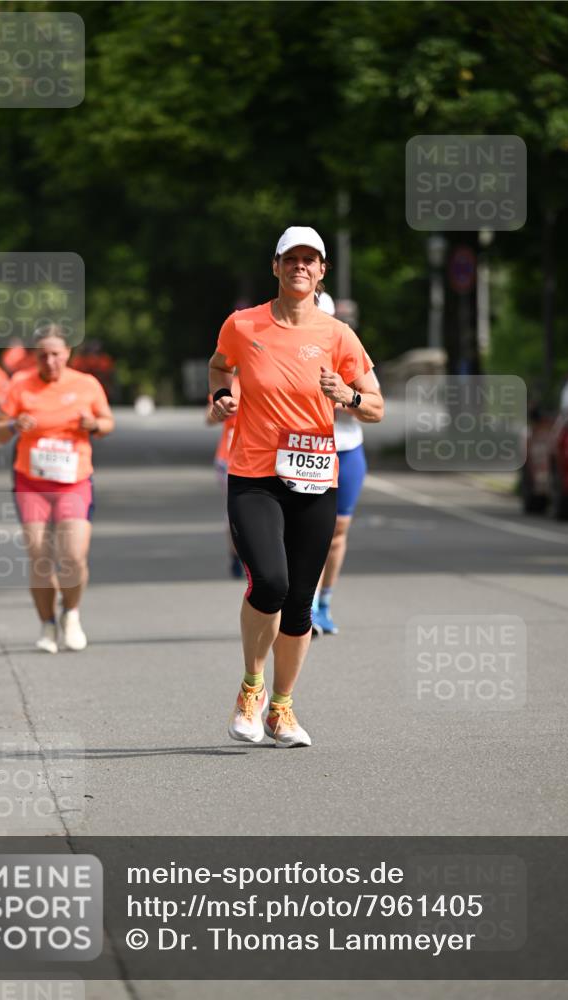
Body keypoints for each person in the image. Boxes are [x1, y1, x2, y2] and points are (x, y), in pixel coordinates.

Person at [208, 226, 384, 748]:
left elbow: (375, 406)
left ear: (322, 270)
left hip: (314, 476)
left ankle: (282, 708)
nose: (300, 267)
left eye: (311, 260)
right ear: (276, 266)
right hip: (255, 475)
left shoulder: (338, 335)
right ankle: (251, 686)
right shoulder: (244, 325)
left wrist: (347, 395)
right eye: (292, 259)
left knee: (301, 601)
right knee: (270, 581)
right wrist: (222, 394)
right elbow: (221, 364)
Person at [0, 325, 115, 653]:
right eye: (42, 355)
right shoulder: (20, 385)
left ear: (68, 353)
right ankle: (46, 624)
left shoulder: (86, 384)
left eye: (56, 354)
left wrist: (93, 425)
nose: (50, 360)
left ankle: (70, 613)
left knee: (73, 556)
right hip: (31, 482)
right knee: (40, 558)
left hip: (74, 482)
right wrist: (14, 425)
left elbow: (107, 423)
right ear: (34, 357)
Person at [311, 293, 369, 636]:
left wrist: (345, 398)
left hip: (346, 448)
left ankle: (324, 604)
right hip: (307, 449)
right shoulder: (288, 348)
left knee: (337, 532)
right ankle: (304, 605)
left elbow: (371, 402)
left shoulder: (347, 347)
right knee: (308, 530)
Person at [205, 375, 243, 578]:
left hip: (265, 458)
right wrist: (224, 410)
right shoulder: (231, 383)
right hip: (228, 459)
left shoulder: (272, 376)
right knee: (236, 512)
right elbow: (209, 418)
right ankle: (236, 556)